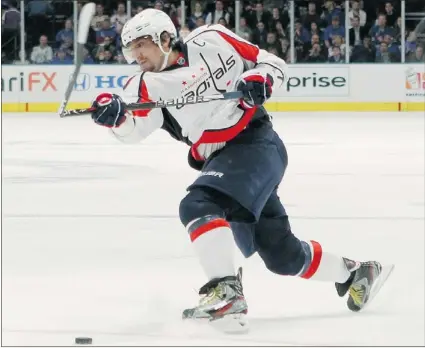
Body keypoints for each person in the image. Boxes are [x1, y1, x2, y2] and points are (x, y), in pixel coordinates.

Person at [89, 9, 392, 332]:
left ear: (165, 38)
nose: (136, 55)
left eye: (141, 45)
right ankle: (357, 272)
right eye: (130, 48)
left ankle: (225, 291)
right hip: (227, 165)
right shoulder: (145, 85)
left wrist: (260, 79)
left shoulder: (212, 39)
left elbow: (272, 63)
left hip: (257, 144)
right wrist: (117, 119)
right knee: (282, 256)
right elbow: (134, 130)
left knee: (198, 204)